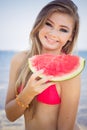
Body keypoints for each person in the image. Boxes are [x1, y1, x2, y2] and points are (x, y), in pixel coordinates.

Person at [5, 0, 81, 130]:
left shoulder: (71, 75)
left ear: (70, 36)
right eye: (48, 24)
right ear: (39, 24)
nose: (53, 34)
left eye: (63, 30)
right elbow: (10, 116)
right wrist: (28, 93)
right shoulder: (18, 60)